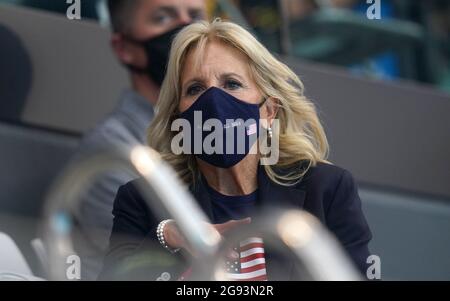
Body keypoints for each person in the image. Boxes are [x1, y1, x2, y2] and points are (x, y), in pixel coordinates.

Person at [101, 20, 372, 281]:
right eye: (195, 88)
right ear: (178, 118)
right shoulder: (144, 199)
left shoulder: (326, 190)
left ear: (268, 111)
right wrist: (169, 235)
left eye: (232, 84)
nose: (214, 101)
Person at [70, 0, 207, 280]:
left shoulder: (222, 133)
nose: (186, 31)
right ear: (125, 48)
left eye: (195, 16)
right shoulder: (113, 150)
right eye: (163, 18)